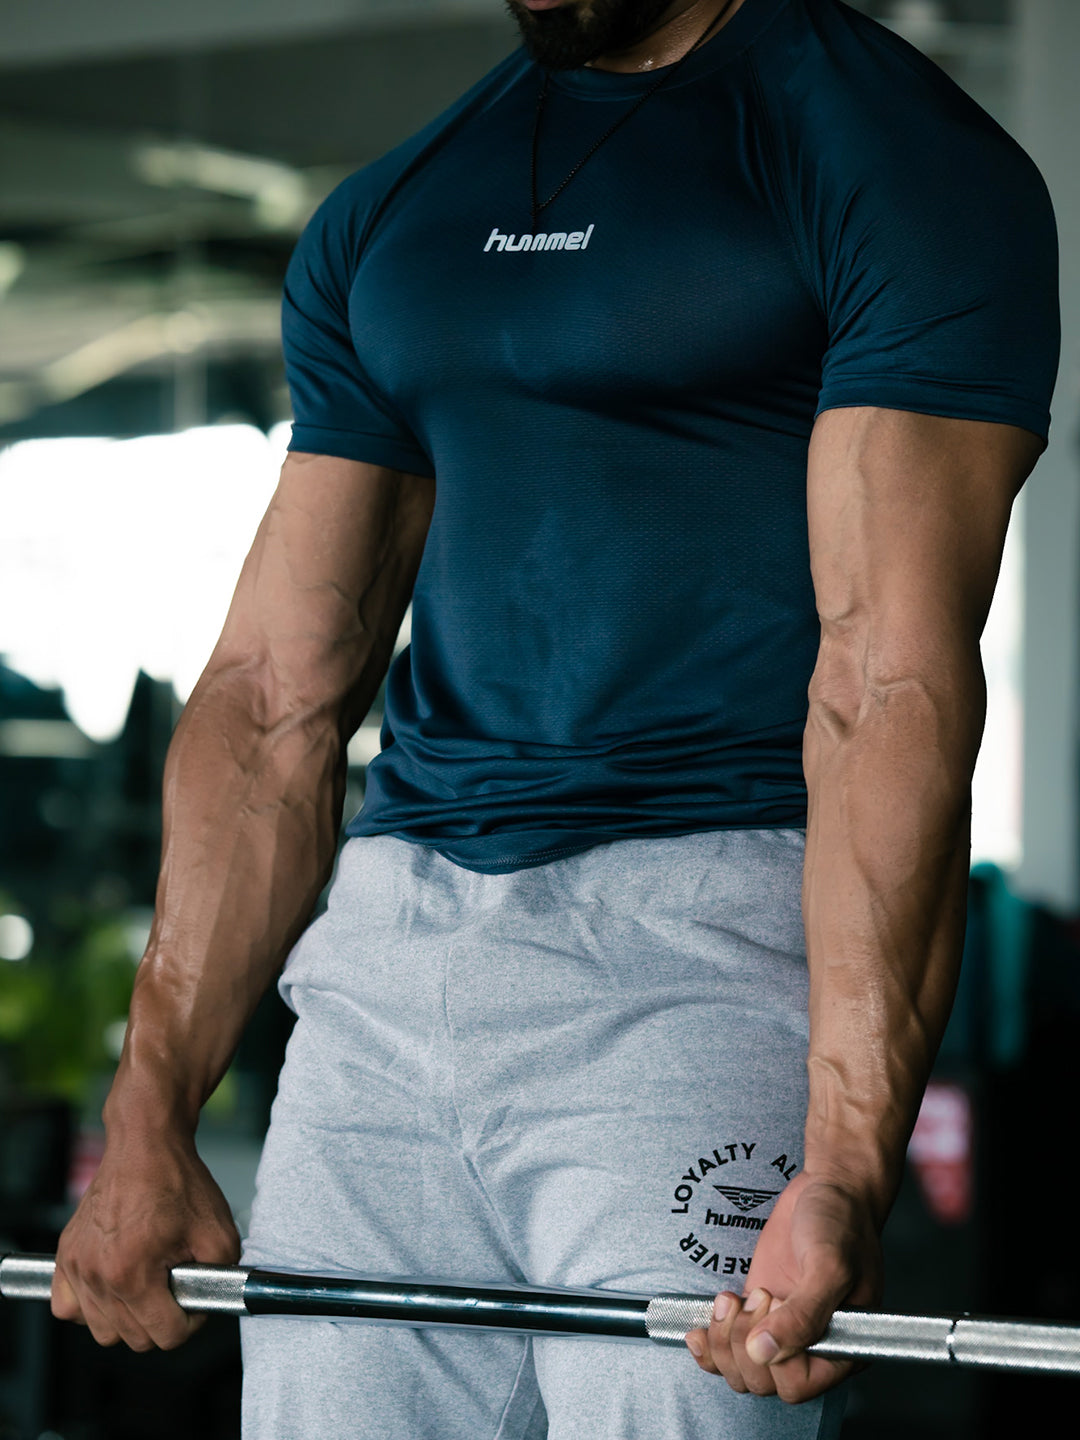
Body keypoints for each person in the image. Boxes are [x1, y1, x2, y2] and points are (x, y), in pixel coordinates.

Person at [51, 0, 1060, 1435]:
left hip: (701, 952)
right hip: (386, 962)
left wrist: (846, 1162)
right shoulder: (397, 210)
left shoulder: (896, 162)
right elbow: (270, 695)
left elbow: (888, 685)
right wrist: (148, 1115)